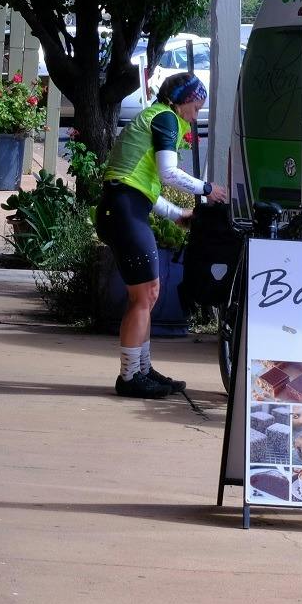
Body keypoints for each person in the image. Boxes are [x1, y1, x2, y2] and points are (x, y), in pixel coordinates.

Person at [94, 71, 227, 398]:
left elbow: (144, 186)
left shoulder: (159, 117)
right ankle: (129, 377)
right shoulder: (165, 118)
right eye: (196, 107)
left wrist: (177, 214)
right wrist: (207, 189)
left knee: (148, 295)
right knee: (145, 295)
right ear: (183, 100)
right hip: (123, 211)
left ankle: (142, 368)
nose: (197, 115)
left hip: (124, 208)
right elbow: (167, 174)